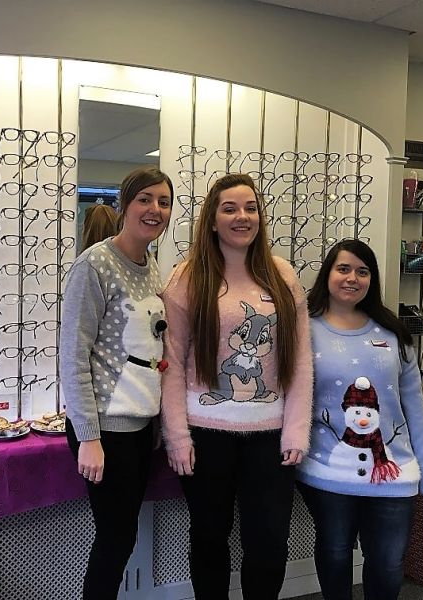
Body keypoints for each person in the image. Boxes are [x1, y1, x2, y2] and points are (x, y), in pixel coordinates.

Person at [161, 173, 313, 599]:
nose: (241, 216)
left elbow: (299, 360)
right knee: (209, 539)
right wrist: (176, 436)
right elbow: (170, 365)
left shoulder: (281, 275)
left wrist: (296, 430)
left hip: (270, 437)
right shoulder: (188, 278)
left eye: (250, 208)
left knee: (268, 544)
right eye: (229, 208)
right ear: (212, 219)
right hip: (207, 435)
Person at [296, 239, 423, 600]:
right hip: (328, 472)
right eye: (343, 268)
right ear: (327, 273)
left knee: (389, 563)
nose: (352, 278)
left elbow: (413, 406)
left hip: (393, 471)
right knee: (335, 554)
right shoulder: (303, 331)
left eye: (362, 271)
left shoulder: (394, 333)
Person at [60, 166, 173, 599]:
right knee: (115, 540)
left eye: (163, 201)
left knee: (121, 537)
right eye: (145, 199)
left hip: (139, 427)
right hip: (106, 429)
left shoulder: (150, 265)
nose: (154, 209)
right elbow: (73, 355)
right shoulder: (94, 265)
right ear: (124, 205)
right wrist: (88, 437)